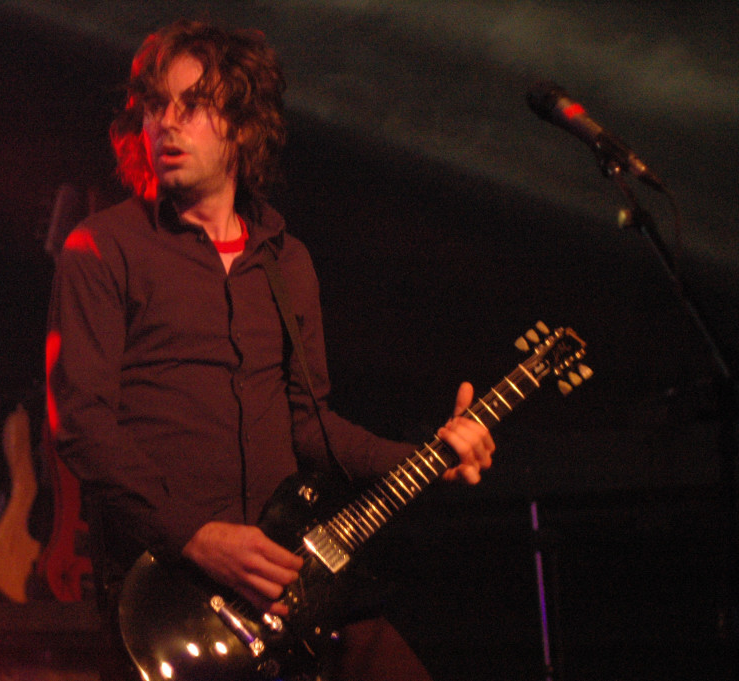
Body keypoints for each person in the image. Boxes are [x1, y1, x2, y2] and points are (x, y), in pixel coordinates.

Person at [48, 19, 495, 681]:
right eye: (156, 106)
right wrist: (195, 536)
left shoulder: (288, 262)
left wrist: (429, 457)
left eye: (193, 105)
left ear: (241, 125)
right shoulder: (103, 247)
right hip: (169, 590)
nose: (167, 123)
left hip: (287, 584)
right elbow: (80, 424)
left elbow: (310, 424)